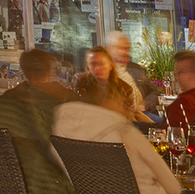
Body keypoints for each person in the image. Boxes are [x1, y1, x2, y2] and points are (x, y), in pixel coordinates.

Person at [52, 74, 180, 194]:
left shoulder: (62, 133)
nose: (129, 108)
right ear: (108, 100)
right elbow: (173, 187)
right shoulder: (126, 134)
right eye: (126, 102)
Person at [0, 48, 74, 194]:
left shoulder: (0, 105)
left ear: (25, 71)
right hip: (43, 184)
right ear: (49, 72)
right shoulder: (51, 107)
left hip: (3, 183)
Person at [105, 33, 160, 118]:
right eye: (119, 48)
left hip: (141, 113)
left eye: (127, 48)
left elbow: (154, 92)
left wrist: (144, 105)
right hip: (117, 117)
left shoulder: (137, 69)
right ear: (109, 49)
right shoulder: (104, 71)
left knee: (163, 124)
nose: (124, 52)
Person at [84, 46, 145, 122]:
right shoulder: (81, 83)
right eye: (93, 64)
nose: (97, 68)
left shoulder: (125, 89)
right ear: (88, 66)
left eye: (101, 64)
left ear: (111, 65)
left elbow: (127, 119)